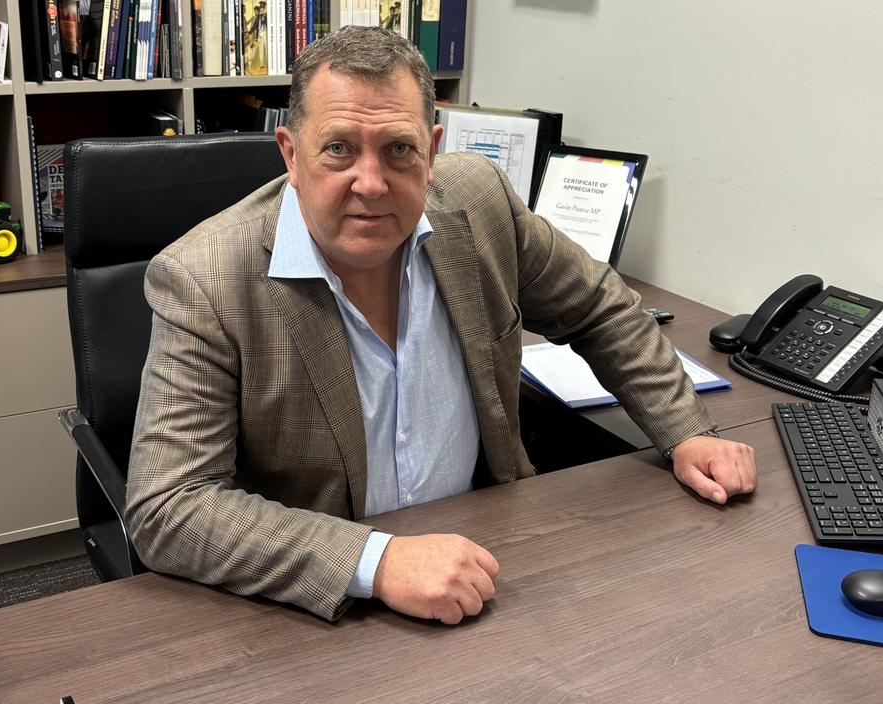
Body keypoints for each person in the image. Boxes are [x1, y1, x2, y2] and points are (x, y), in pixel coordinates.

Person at [126, 25, 757, 625]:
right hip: (317, 608)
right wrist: (376, 561)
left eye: (398, 150)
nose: (370, 184)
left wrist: (686, 433)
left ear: (431, 151)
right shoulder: (204, 279)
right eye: (338, 148)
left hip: (493, 558)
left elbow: (599, 306)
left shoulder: (478, 204)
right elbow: (170, 507)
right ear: (291, 154)